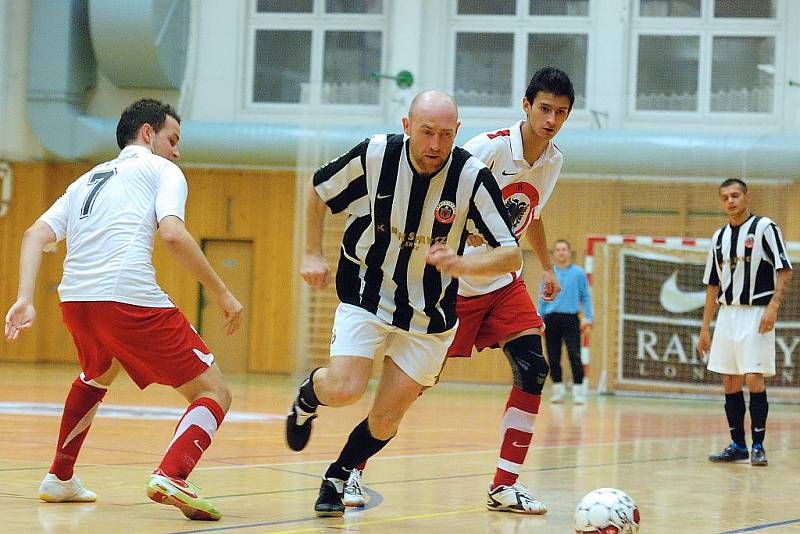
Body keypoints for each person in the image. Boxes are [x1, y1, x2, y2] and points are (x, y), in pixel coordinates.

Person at [344, 67, 575, 514]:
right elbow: (434, 188)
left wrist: (546, 265)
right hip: (454, 287)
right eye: (544, 108)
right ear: (525, 106)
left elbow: (535, 213)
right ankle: (351, 468)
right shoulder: (487, 147)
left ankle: (504, 484)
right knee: (407, 388)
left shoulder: (554, 161)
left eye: (561, 112)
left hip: (504, 283)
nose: (551, 119)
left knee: (533, 367)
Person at [4, 99, 243, 521]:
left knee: (97, 374)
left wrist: (24, 297)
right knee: (214, 391)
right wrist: (222, 291)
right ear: (148, 134)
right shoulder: (162, 170)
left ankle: (60, 477)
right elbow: (172, 233)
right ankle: (173, 474)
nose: (177, 151)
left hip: (75, 300)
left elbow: (33, 233)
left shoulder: (84, 180)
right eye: (173, 139)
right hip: (125, 297)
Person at [285, 89, 522, 517]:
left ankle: (338, 473)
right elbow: (319, 188)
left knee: (386, 419)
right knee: (344, 389)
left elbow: (511, 252)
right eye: (427, 132)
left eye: (446, 135)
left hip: (430, 316)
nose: (435, 145)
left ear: (458, 133)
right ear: (407, 125)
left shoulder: (471, 177)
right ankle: (308, 396)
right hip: (366, 291)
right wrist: (311, 253)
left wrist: (466, 266)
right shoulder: (376, 155)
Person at [697, 178, 792, 467]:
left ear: (747, 197)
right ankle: (738, 444)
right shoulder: (719, 237)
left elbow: (785, 270)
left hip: (756, 312)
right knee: (729, 379)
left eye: (735, 195)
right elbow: (712, 284)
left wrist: (773, 307)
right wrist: (705, 328)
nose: (730, 201)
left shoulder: (765, 228)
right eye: (725, 197)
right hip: (727, 314)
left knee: (753, 377)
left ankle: (759, 445)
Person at [538, 238, 593, 404]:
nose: (561, 252)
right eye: (558, 249)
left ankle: (578, 390)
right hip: (551, 319)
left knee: (574, 355)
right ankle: (558, 390)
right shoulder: (549, 274)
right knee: (553, 357)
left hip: (571, 319)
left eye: (564, 249)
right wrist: (539, 319)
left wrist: (589, 318)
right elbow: (542, 298)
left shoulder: (578, 273)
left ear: (569, 252)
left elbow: (586, 296)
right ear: (554, 254)